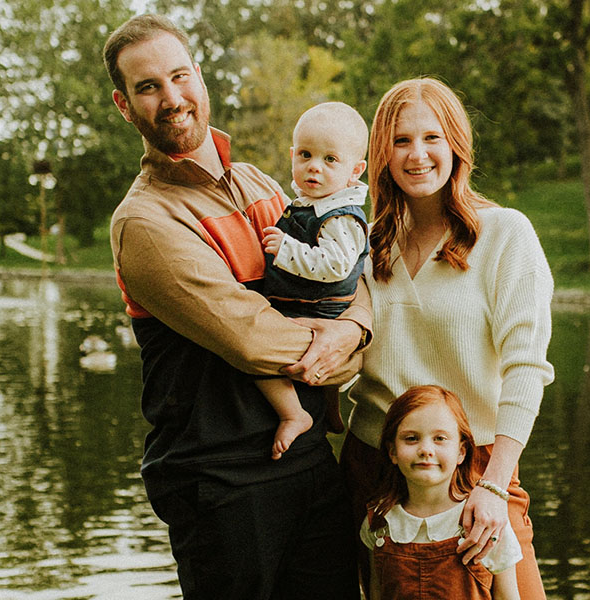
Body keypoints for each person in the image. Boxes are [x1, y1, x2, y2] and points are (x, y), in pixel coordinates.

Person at [102, 14, 369, 600]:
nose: (171, 98)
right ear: (125, 106)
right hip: (221, 479)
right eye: (148, 87)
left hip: (306, 455)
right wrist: (342, 346)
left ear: (199, 76)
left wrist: (353, 333)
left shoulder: (260, 184)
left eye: (178, 77)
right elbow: (251, 337)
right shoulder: (145, 221)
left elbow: (346, 274)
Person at [340, 77, 555, 599]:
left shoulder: (505, 235)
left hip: (474, 465)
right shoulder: (362, 245)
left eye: (432, 137)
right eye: (400, 141)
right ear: (380, 154)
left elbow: (525, 368)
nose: (417, 155)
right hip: (374, 463)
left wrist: (493, 483)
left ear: (456, 143)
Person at [257, 101, 369, 460]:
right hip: (314, 303)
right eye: (305, 154)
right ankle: (330, 410)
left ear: (355, 171)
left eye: (330, 160)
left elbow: (335, 266)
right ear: (292, 155)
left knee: (256, 354)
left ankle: (294, 414)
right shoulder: (310, 203)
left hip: (318, 306)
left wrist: (286, 248)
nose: (314, 167)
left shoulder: (339, 216)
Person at [362, 385, 522, 600]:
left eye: (440, 439)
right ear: (393, 452)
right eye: (411, 438)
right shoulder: (380, 523)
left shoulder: (484, 523)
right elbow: (376, 594)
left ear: (461, 452)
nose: (426, 449)